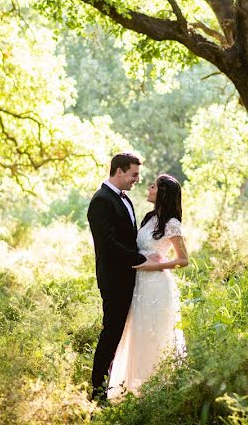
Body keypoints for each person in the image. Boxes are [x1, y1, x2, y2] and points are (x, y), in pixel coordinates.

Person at [107, 173, 189, 400]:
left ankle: (158, 389)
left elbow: (183, 260)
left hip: (156, 285)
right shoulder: (149, 218)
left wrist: (157, 265)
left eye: (153, 186)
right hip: (139, 284)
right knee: (137, 331)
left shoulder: (172, 224)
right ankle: (135, 389)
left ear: (162, 193)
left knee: (155, 334)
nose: (148, 188)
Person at [87, 152, 160, 403]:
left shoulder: (125, 200)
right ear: (119, 171)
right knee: (112, 332)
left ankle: (119, 383)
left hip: (130, 278)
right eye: (134, 174)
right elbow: (107, 244)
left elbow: (129, 238)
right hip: (114, 279)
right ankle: (97, 391)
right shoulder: (101, 201)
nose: (137, 180)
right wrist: (141, 260)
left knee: (124, 332)